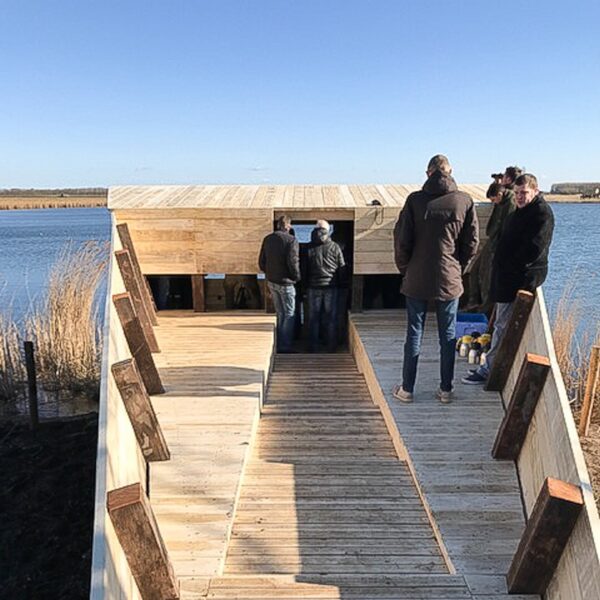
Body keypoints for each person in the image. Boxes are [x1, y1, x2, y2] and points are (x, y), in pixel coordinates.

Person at [392, 154, 479, 403]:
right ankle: (445, 389)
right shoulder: (464, 201)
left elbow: (402, 240)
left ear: (428, 173)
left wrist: (405, 269)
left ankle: (407, 389)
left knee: (414, 334)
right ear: (450, 172)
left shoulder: (414, 200)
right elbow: (471, 243)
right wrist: (457, 267)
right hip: (449, 277)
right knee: (448, 335)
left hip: (416, 277)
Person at [462, 173, 555, 384]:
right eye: (518, 193)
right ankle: (490, 367)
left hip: (520, 279)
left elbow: (535, 250)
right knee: (501, 324)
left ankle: (488, 370)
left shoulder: (541, 214)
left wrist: (512, 268)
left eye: (524, 193)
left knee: (502, 326)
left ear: (535, 191)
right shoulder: (519, 212)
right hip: (506, 276)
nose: (520, 197)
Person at [467, 181, 516, 313]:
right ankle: (473, 302)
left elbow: (505, 227)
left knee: (488, 277)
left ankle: (484, 308)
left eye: (494, 199)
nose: (494, 202)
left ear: (500, 194)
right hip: (493, 241)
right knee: (475, 270)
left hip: (498, 245)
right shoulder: (501, 202)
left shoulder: (511, 203)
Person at [258, 215, 300, 353]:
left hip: (271, 281)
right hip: (286, 282)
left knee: (280, 313)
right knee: (289, 314)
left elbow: (261, 262)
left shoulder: (268, 239)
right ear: (288, 226)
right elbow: (293, 262)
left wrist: (269, 273)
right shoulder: (291, 240)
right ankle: (285, 346)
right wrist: (297, 277)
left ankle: (279, 343)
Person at [304, 225, 345, 352]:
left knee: (313, 318)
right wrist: (342, 283)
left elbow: (304, 269)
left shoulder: (308, 248)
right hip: (331, 286)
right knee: (331, 317)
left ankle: (312, 347)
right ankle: (331, 346)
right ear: (327, 234)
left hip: (313, 286)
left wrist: (304, 286)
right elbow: (341, 267)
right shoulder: (335, 247)